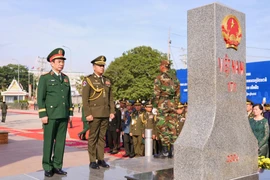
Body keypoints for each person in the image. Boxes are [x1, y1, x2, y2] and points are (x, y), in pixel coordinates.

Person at [37, 48, 73, 177]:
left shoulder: (66, 78)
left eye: (62, 61)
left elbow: (68, 97)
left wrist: (70, 113)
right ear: (51, 63)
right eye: (58, 61)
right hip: (50, 116)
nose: (61, 64)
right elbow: (40, 98)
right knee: (48, 142)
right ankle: (47, 166)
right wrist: (43, 114)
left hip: (63, 114)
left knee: (61, 142)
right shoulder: (45, 78)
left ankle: (58, 166)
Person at [82, 55, 115, 169]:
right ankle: (92, 160)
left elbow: (111, 97)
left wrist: (112, 111)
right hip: (94, 113)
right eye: (99, 66)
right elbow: (85, 99)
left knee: (102, 137)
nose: (102, 68)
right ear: (94, 67)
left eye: (103, 66)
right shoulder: (89, 80)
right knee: (93, 137)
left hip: (105, 113)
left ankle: (101, 159)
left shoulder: (107, 81)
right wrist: (88, 113)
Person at [153, 60, 180, 158]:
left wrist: (155, 106)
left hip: (162, 105)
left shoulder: (159, 78)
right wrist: (175, 105)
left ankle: (164, 151)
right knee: (173, 128)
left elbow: (156, 94)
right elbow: (178, 95)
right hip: (172, 105)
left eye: (160, 65)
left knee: (162, 127)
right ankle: (172, 151)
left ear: (163, 66)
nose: (160, 67)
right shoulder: (175, 79)